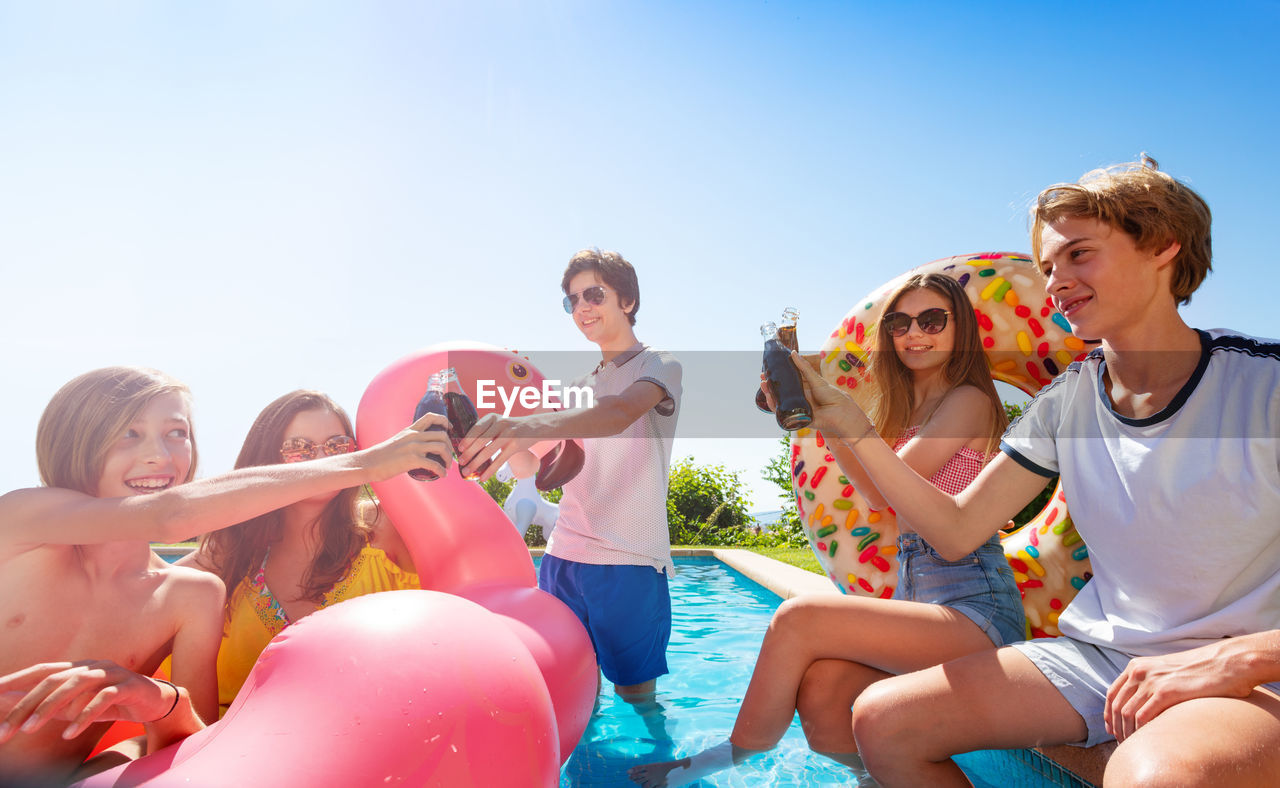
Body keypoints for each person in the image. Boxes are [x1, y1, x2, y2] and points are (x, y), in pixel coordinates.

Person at [795, 157, 1280, 786]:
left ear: (1163, 247)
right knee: (884, 721)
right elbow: (956, 530)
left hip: (1247, 671)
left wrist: (1241, 657)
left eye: (1080, 255)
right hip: (1100, 659)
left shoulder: (1263, 385)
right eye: (1049, 267)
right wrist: (847, 424)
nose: (1057, 282)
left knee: (1155, 776)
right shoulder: (1066, 402)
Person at [630, 273, 1024, 787]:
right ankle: (879, 776)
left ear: (959, 330)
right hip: (922, 606)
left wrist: (841, 416)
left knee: (797, 620)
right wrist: (821, 418)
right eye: (901, 323)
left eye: (932, 320)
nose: (914, 333)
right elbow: (876, 493)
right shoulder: (909, 410)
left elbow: (894, 483)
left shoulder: (968, 399)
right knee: (823, 694)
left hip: (975, 606)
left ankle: (721, 759)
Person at [0, 367, 450, 786]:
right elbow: (169, 516)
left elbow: (193, 747)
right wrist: (370, 463)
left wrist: (159, 701)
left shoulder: (191, 595)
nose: (158, 455)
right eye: (127, 434)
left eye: (177, 433)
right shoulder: (22, 522)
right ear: (72, 442)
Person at [456, 247, 682, 701]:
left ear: (628, 301)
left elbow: (617, 413)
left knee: (637, 701)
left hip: (629, 561)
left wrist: (522, 425)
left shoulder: (660, 366)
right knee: (574, 693)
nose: (582, 308)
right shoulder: (573, 389)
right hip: (563, 561)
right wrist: (506, 428)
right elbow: (533, 466)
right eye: (572, 301)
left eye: (594, 294)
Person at [178, 391, 420, 717]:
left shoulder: (385, 528)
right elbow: (144, 592)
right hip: (239, 756)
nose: (323, 459)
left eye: (337, 446)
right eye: (299, 449)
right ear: (266, 460)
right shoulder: (231, 554)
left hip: (374, 750)